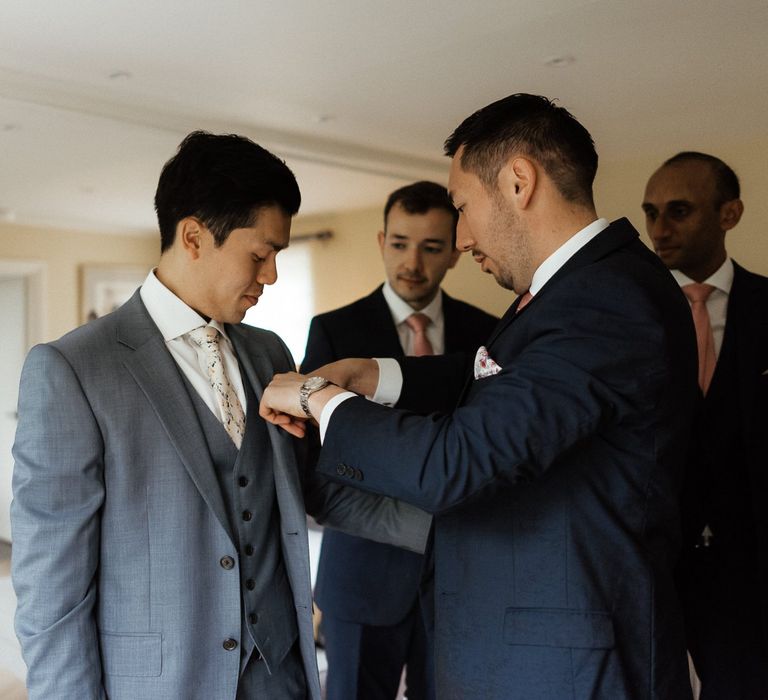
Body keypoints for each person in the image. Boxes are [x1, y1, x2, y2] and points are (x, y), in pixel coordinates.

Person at [260, 93, 699, 699]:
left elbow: (454, 464)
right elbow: (510, 378)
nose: (461, 237)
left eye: (462, 208)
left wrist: (317, 396)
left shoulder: (603, 298)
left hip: (565, 669)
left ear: (519, 181)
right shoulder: (584, 288)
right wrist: (378, 376)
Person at [10, 131, 431, 700]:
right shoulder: (74, 369)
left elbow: (312, 488)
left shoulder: (270, 353)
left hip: (280, 676)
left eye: (280, 255)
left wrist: (449, 530)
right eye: (260, 254)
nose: (272, 275)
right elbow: (52, 590)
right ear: (193, 236)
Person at [302, 180, 498, 700]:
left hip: (466, 580)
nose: (413, 262)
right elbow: (318, 458)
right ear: (381, 240)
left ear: (456, 251)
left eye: (432, 247)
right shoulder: (333, 331)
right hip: (363, 575)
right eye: (400, 243)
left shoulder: (490, 333)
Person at [642, 152, 768, 699]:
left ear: (729, 214)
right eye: (651, 213)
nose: (659, 229)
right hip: (654, 565)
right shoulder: (627, 316)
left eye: (679, 211)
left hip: (754, 573)